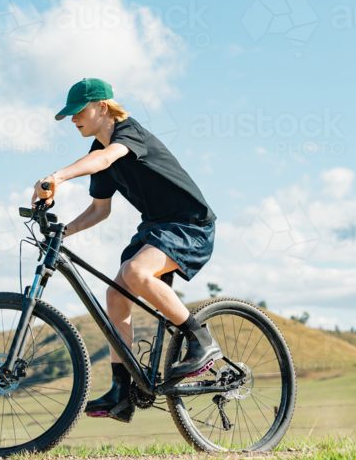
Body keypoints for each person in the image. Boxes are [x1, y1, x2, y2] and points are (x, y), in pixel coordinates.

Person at [32, 78, 219, 423]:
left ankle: (200, 338)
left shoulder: (128, 134)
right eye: (70, 115)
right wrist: (63, 232)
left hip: (190, 225)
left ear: (102, 107)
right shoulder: (98, 154)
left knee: (136, 273)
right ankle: (123, 391)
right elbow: (99, 211)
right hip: (156, 228)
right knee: (116, 295)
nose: (73, 120)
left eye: (79, 112)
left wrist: (56, 176)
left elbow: (106, 158)